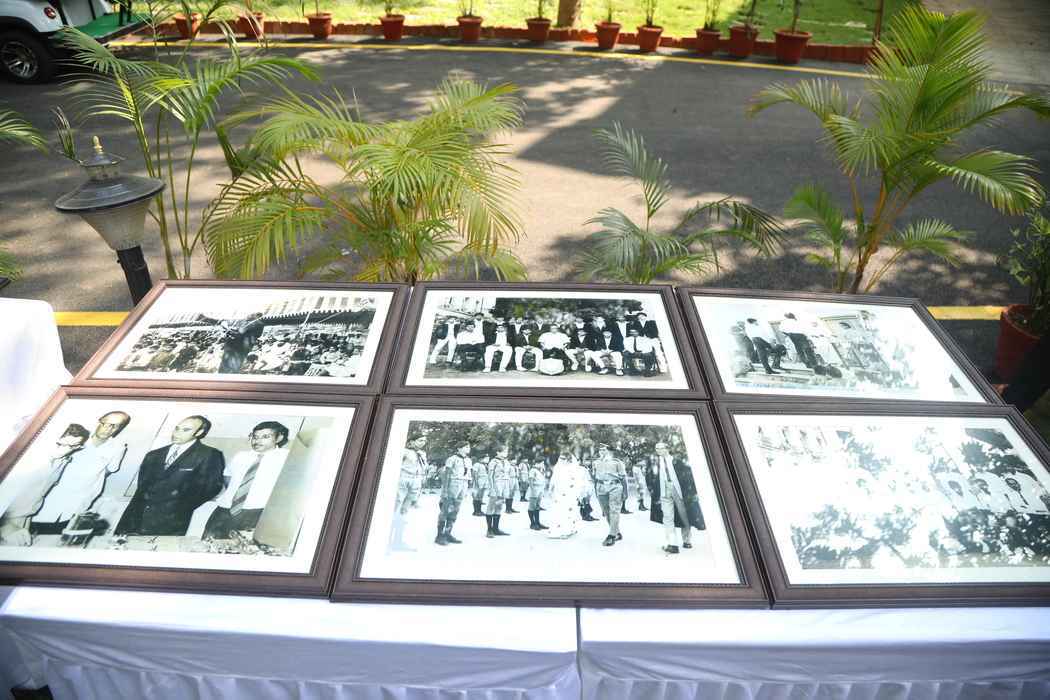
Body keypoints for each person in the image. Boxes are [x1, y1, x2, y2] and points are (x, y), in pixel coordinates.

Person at [115, 415, 225, 537]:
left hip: (170, 521)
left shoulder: (209, 455)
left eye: (186, 430)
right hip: (134, 517)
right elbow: (142, 485)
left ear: (199, 432)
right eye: (177, 428)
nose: (177, 433)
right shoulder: (154, 454)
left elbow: (211, 488)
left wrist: (178, 507)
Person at [31, 411, 131, 536]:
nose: (108, 429)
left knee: (62, 532)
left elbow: (110, 470)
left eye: (115, 426)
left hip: (79, 499)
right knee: (35, 526)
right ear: (99, 421)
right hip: (52, 495)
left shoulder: (118, 448)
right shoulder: (78, 438)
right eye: (106, 424)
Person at [0, 425, 90, 545]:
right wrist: (5, 526)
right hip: (6, 520)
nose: (64, 450)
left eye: (72, 446)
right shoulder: (24, 460)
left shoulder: (62, 461)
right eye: (60, 444)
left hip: (25, 517)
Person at [203, 421, 291, 540]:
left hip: (257, 512)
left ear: (279, 438)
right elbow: (227, 478)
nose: (258, 441)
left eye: (265, 437)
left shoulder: (286, 457)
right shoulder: (241, 456)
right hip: (225, 510)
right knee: (208, 543)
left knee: (244, 547)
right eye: (255, 437)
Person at [646, 442, 705, 554]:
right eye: (656, 449)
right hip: (664, 491)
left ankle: (687, 540)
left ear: (667, 449)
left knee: (684, 516)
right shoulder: (655, 463)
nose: (658, 451)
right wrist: (652, 491)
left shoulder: (677, 461)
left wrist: (691, 492)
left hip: (678, 490)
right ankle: (673, 545)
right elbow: (649, 476)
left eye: (661, 448)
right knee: (667, 517)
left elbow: (688, 476)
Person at [387, 435, 428, 551]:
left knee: (404, 511)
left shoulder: (422, 454)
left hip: (416, 481)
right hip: (404, 479)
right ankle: (386, 542)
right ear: (412, 441)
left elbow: (423, 468)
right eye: (420, 440)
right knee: (394, 509)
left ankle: (397, 542)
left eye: (424, 441)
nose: (423, 442)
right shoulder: (404, 452)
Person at [545, 448, 589, 539]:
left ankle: (568, 530)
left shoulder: (573, 469)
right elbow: (553, 479)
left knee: (568, 512)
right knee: (558, 511)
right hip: (558, 493)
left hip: (569, 494)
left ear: (568, 459)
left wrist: (578, 493)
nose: (561, 460)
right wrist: (550, 490)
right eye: (561, 458)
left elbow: (578, 482)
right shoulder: (557, 468)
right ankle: (556, 530)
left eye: (564, 459)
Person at [591, 444, 627, 546]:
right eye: (600, 450)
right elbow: (595, 478)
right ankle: (617, 532)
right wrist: (596, 490)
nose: (601, 452)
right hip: (601, 487)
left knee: (614, 510)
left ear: (610, 451)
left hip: (614, 487)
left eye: (604, 450)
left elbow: (623, 478)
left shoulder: (617, 462)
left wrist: (625, 492)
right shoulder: (596, 462)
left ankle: (611, 535)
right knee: (606, 511)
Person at [436, 443, 472, 545]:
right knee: (445, 510)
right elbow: (447, 474)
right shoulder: (452, 459)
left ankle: (448, 533)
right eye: (465, 447)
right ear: (459, 448)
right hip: (453, 484)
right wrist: (445, 490)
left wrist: (467, 489)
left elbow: (469, 475)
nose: (468, 449)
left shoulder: (468, 460)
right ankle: (439, 536)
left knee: (455, 510)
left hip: (463, 485)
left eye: (469, 447)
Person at [484, 446, 514, 538]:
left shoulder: (507, 462)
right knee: (491, 506)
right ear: (498, 452)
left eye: (506, 451)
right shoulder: (493, 462)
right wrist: (492, 488)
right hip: (496, 485)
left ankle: (496, 529)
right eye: (504, 451)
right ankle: (489, 530)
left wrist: (508, 487)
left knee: (499, 506)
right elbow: (490, 476)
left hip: (504, 485)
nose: (506, 453)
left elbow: (508, 474)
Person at [526, 459, 549, 530]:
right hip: (535, 488)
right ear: (537, 463)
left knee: (537, 506)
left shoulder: (540, 470)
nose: (543, 465)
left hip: (540, 489)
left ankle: (537, 522)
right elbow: (530, 480)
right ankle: (532, 523)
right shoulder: (533, 470)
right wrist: (533, 490)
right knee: (532, 506)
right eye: (542, 463)